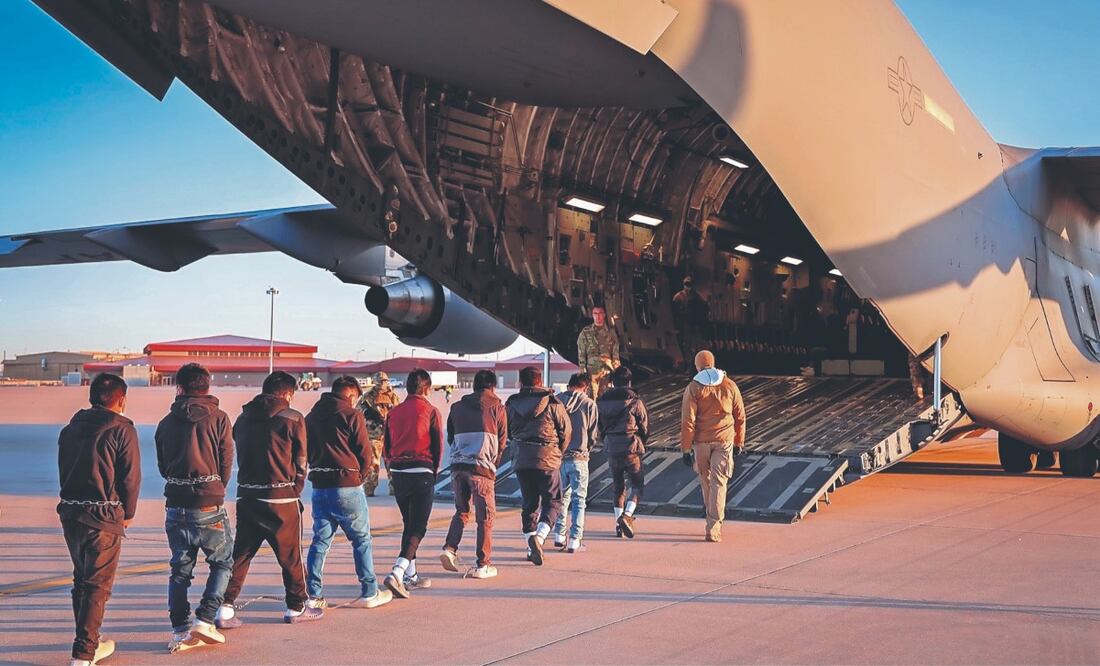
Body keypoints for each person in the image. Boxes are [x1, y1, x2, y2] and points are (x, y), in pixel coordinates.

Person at [217, 371, 316, 628]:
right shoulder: (293, 418)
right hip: (281, 498)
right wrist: (296, 488)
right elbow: (302, 459)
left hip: (248, 495)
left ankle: (225, 606)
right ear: (287, 394)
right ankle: (296, 606)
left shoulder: (243, 418)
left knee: (241, 554)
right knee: (290, 556)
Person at [57, 373, 141, 666]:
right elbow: (130, 477)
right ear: (121, 400)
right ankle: (84, 652)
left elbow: (63, 470)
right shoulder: (122, 429)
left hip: (71, 513)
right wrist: (128, 513)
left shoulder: (69, 429)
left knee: (82, 580)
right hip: (102, 516)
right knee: (96, 585)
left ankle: (91, 640)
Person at [154, 363, 234, 653]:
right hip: (209, 500)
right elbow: (226, 461)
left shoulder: (165, 423)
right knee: (223, 562)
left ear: (180, 387)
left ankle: (179, 629)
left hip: (176, 502)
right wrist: (215, 486)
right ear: (207, 386)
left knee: (180, 570)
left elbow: (163, 466)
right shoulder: (220, 418)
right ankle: (205, 617)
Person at [304, 376, 393, 610]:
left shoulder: (310, 417)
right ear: (351, 395)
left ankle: (313, 594)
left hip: (320, 486)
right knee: (361, 540)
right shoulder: (352, 415)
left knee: (320, 541)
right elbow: (365, 454)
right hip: (347, 486)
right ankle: (369, 591)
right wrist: (359, 478)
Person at [382, 368, 444, 598]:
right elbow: (437, 446)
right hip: (421, 470)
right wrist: (433, 472)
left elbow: (386, 445)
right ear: (426, 389)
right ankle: (397, 572)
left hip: (398, 472)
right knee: (419, 526)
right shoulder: (430, 411)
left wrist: (391, 466)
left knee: (409, 523)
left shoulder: (394, 412)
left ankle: (411, 575)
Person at [440, 369, 507, 579]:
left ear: (474, 385)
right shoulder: (497, 406)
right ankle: (483, 564)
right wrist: (493, 462)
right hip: (482, 468)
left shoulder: (456, 407)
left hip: (458, 467)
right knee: (485, 517)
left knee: (461, 510)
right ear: (492, 386)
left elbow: (450, 436)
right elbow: (503, 441)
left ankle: (450, 549)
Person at [505, 366, 571, 566]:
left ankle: (530, 545)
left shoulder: (511, 403)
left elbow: (505, 430)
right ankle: (540, 538)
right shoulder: (553, 402)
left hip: (522, 458)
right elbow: (566, 431)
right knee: (553, 501)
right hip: (548, 457)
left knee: (529, 503)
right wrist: (558, 451)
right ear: (540, 381)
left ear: (521, 383)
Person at [680, 350, 746, 543]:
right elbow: (740, 416)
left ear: (697, 365)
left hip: (701, 443)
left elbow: (688, 421)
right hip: (724, 441)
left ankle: (711, 520)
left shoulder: (693, 388)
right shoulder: (730, 385)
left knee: (706, 481)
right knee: (720, 483)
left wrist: (685, 448)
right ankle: (713, 527)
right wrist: (739, 441)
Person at [597, 366, 649, 539]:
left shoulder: (602, 401)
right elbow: (644, 427)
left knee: (618, 487)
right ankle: (627, 516)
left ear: (612, 382)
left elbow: (600, 427)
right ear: (629, 382)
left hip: (611, 447)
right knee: (637, 485)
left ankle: (618, 525)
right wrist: (642, 442)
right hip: (631, 447)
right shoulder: (635, 401)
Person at [553, 372, 598, 553]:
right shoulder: (589, 404)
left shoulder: (556, 401)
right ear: (585, 386)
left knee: (561, 498)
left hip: (559, 457)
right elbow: (593, 433)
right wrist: (587, 447)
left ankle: (558, 535)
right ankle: (575, 539)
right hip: (580, 457)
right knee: (579, 500)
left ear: (569, 384)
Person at [360, 371, 401, 496]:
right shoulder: (367, 397)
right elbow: (359, 412)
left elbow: (398, 412)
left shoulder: (393, 396)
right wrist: (370, 416)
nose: (383, 383)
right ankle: (369, 488)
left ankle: (394, 488)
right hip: (374, 435)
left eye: (385, 381)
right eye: (381, 381)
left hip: (390, 435)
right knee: (373, 465)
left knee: (392, 463)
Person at [576, 305, 621, 400]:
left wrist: (617, 370)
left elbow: (615, 353)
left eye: (600, 313)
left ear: (604, 315)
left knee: (605, 398)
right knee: (591, 398)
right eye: (595, 314)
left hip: (606, 370)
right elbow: (581, 352)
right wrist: (582, 369)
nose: (598, 316)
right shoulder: (586, 332)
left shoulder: (611, 333)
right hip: (591, 371)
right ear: (592, 315)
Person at [672, 276, 710, 365]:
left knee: (696, 345)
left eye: (689, 284)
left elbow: (703, 311)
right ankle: (689, 364)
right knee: (687, 345)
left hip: (695, 325)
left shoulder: (697, 298)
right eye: (687, 284)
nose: (688, 287)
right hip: (685, 324)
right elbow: (675, 312)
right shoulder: (678, 297)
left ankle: (694, 364)